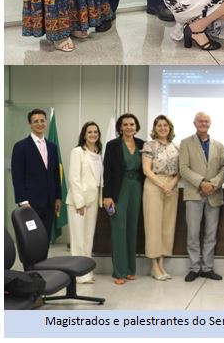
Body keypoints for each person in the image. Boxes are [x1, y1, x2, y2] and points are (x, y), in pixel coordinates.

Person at [178, 112, 224, 282]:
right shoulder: (185, 143)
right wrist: (201, 183)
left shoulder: (219, 146)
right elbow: (183, 168)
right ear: (194, 123)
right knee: (193, 233)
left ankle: (207, 268)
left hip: (214, 194)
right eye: (200, 121)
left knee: (211, 234)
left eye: (206, 121)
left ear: (210, 123)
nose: (203, 123)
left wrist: (212, 184)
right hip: (194, 194)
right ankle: (194, 267)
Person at [102, 113, 145, 284]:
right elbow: (108, 172)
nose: (129, 127)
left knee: (132, 228)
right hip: (119, 190)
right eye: (125, 124)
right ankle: (119, 272)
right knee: (119, 229)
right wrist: (107, 195)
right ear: (120, 127)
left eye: (132, 124)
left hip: (137, 188)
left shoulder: (143, 144)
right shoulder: (112, 145)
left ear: (136, 126)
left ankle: (130, 269)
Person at [11, 109, 61, 244]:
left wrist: (58, 197)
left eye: (42, 121)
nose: (40, 124)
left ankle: (42, 266)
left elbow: (56, 174)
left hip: (49, 203)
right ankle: (30, 266)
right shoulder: (21, 147)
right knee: (31, 241)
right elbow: (17, 177)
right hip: (30, 204)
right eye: (36, 121)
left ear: (46, 122)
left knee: (44, 239)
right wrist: (23, 201)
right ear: (30, 124)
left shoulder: (52, 147)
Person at [141, 115, 179, 281]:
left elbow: (180, 170)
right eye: (159, 125)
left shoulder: (176, 147)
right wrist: (162, 185)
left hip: (172, 186)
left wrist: (171, 184)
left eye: (165, 125)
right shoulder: (149, 145)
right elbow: (146, 170)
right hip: (154, 185)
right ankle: (153, 266)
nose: (163, 128)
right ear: (155, 128)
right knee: (153, 225)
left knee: (167, 227)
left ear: (170, 128)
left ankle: (161, 263)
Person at [66, 121, 103, 283]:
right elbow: (73, 178)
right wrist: (79, 202)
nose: (93, 134)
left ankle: (86, 273)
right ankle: (77, 274)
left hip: (93, 200)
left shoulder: (98, 153)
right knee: (78, 239)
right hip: (77, 202)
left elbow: (98, 179)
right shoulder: (77, 152)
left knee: (88, 239)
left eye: (95, 132)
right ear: (84, 135)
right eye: (90, 132)